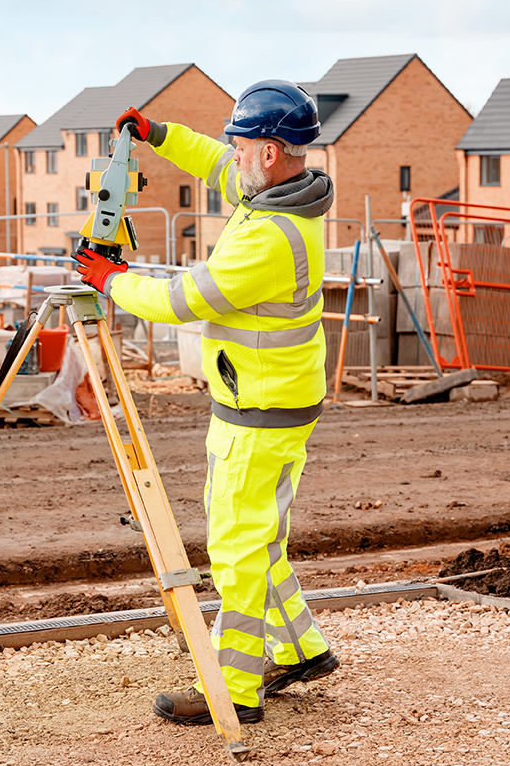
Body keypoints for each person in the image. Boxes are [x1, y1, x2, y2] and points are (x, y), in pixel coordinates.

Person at [73, 80, 339, 725]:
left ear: (271, 151)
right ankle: (302, 649)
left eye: (243, 144)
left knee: (235, 547)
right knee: (260, 534)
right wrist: (157, 134)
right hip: (272, 398)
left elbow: (181, 301)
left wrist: (111, 279)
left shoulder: (271, 236)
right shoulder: (276, 194)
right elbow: (215, 162)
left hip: (260, 410)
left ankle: (237, 692)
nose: (232, 154)